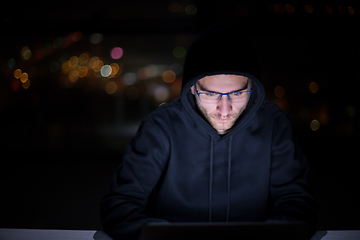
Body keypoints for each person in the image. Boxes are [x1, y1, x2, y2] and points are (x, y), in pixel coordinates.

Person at [100, 24, 318, 240]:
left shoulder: (274, 125)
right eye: (211, 95)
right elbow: (120, 203)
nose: (225, 110)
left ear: (252, 86)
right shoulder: (161, 127)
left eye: (237, 94)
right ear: (193, 89)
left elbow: (297, 202)